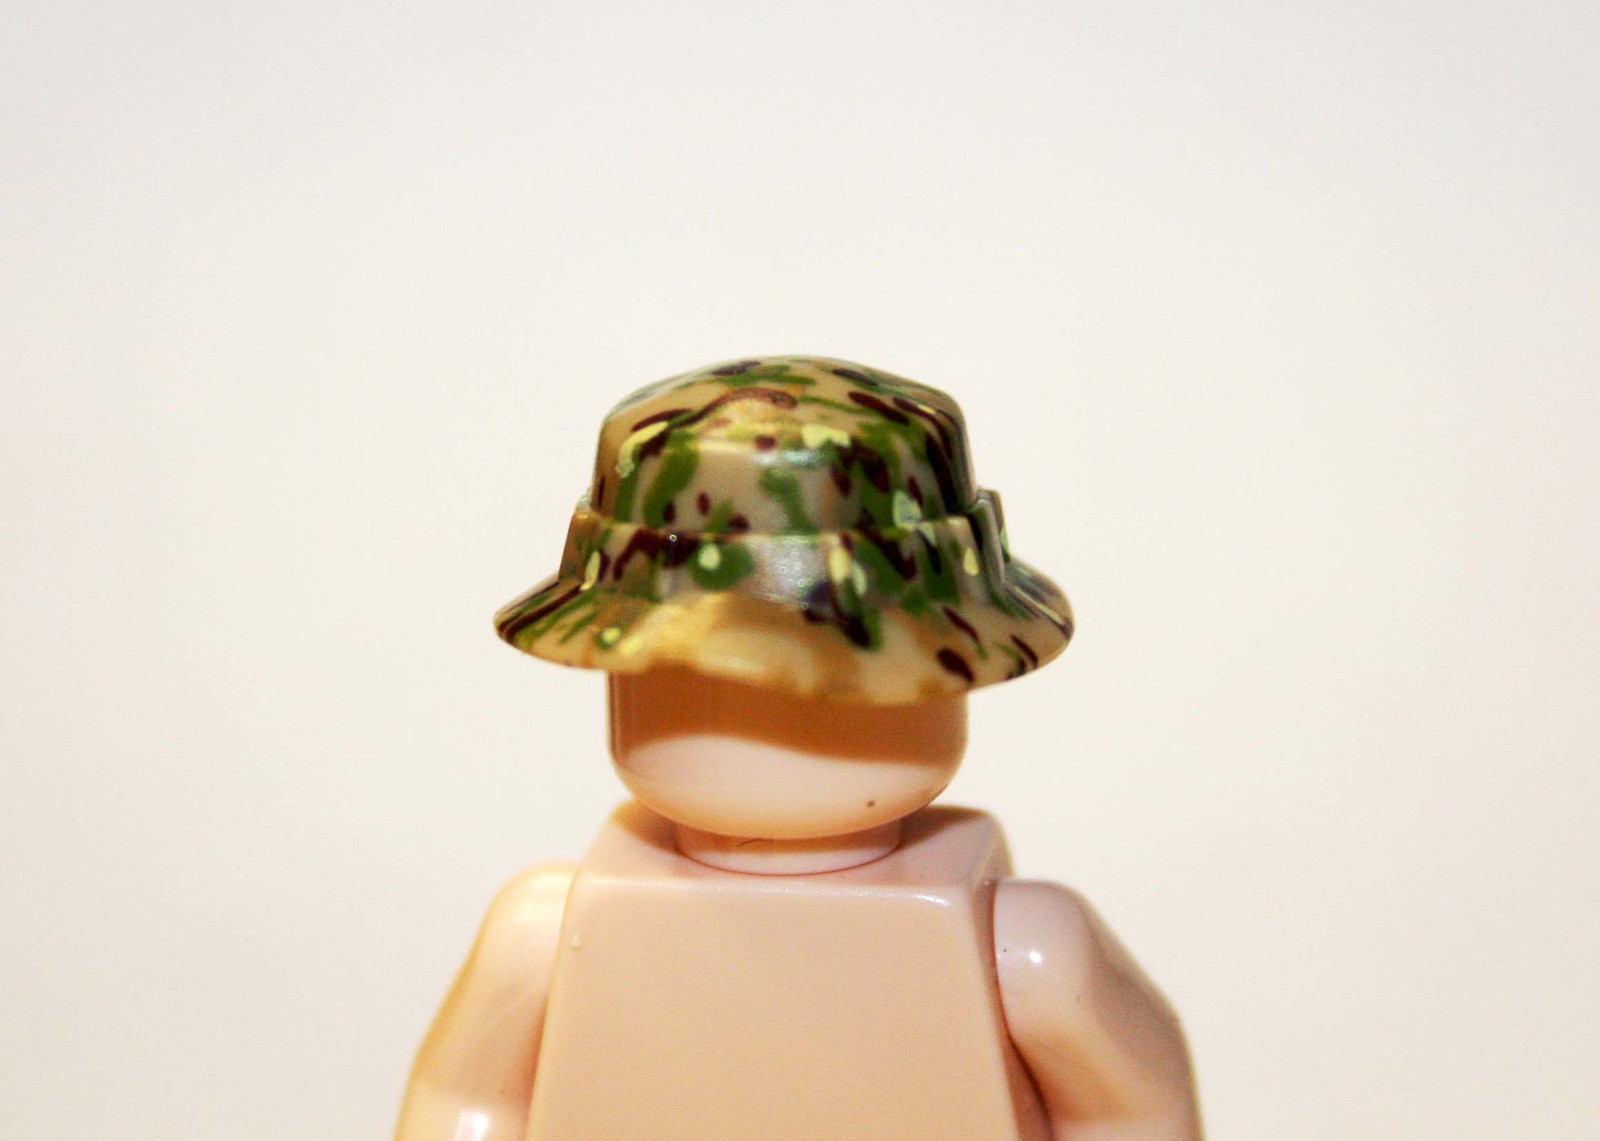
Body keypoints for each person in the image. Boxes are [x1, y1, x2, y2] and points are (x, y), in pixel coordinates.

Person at [396, 356, 1201, 1140]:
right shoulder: (542, 932)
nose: (783, 704)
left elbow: (1128, 1109)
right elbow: (463, 1103)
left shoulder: (1031, 951)